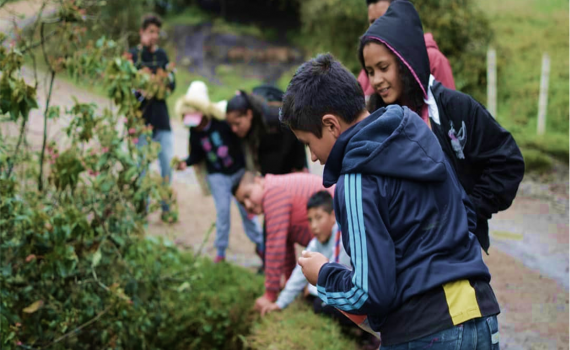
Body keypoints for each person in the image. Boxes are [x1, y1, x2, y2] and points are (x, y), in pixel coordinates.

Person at [280, 51, 501, 349]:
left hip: (424, 331)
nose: (313, 156)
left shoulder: (356, 177)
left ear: (331, 125)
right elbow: (467, 215)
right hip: (482, 313)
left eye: (309, 143)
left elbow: (369, 293)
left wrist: (323, 276)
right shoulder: (416, 134)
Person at [359, 0, 524, 253]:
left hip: (459, 251)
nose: (376, 80)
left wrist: (469, 211)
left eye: (383, 68)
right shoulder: (377, 123)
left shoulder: (455, 109)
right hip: (408, 256)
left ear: (405, 61)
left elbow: (507, 162)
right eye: (370, 72)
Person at [174, 81, 263, 263]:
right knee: (223, 214)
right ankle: (220, 252)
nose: (196, 125)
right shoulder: (194, 133)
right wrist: (186, 162)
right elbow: (196, 154)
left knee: (248, 211)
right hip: (217, 177)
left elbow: (241, 138)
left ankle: (262, 246)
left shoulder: (222, 122)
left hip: (238, 173)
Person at [232, 171, 331, 310]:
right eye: (242, 203)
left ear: (258, 181)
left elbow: (275, 248)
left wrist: (269, 295)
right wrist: (290, 287)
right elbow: (285, 247)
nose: (248, 205)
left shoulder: (273, 193)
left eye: (247, 195)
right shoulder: (274, 189)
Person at [258, 190, 351, 316]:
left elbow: (337, 280)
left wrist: (311, 288)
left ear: (333, 216)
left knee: (320, 304)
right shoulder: (315, 243)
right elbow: (298, 274)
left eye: (318, 218)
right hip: (336, 293)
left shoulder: (343, 238)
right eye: (310, 220)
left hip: (353, 292)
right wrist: (279, 304)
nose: (313, 226)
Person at [357, 0, 455, 99]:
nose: (378, 27)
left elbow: (449, 107)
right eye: (373, 22)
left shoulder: (434, 60)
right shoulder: (367, 74)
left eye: (384, 67)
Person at [129, 14, 176, 220]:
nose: (154, 36)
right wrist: (140, 91)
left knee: (166, 168)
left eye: (157, 32)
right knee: (141, 170)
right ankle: (142, 211)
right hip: (140, 123)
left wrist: (161, 83)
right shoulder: (132, 57)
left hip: (162, 121)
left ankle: (166, 210)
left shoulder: (162, 56)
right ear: (142, 32)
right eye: (151, 32)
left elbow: (171, 85)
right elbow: (127, 88)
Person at [225, 89, 307, 175]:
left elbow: (297, 135)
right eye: (231, 125)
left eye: (237, 124)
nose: (234, 129)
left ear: (249, 114)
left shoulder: (273, 118)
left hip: (290, 163)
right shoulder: (246, 129)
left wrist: (299, 166)